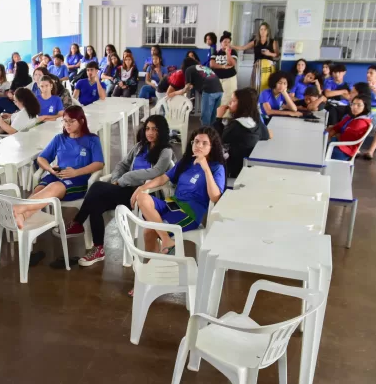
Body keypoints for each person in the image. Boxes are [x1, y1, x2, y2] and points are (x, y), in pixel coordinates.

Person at [63, 115, 174, 267]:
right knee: (96, 205)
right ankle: (98, 249)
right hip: (124, 190)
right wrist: (116, 178)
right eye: (148, 128)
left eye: (154, 129)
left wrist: (123, 179)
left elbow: (155, 172)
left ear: (162, 131)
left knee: (96, 187)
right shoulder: (140, 146)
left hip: (142, 195)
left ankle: (77, 222)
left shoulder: (166, 151)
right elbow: (122, 164)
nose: (150, 132)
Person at [132, 127, 225, 256]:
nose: (199, 145)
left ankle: (157, 259)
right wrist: (141, 188)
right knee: (142, 197)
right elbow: (164, 178)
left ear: (212, 147)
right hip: (172, 203)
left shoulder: (217, 168)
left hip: (190, 212)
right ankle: (165, 242)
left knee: (149, 231)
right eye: (196, 141)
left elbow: (215, 197)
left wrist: (205, 168)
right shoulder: (186, 162)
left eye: (204, 143)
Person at [13, 106, 105, 229]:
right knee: (38, 190)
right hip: (57, 174)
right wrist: (51, 170)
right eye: (65, 121)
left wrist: (76, 172)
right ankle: (23, 216)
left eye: (72, 121)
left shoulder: (92, 140)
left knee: (54, 187)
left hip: (78, 179)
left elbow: (99, 163)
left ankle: (20, 207)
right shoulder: (59, 138)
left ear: (81, 121)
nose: (67, 124)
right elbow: (42, 158)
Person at [213, 88, 271, 178]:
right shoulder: (256, 120)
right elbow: (266, 135)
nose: (229, 103)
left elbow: (217, 139)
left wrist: (218, 118)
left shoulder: (236, 125)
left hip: (234, 168)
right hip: (248, 164)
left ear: (242, 105)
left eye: (233, 101)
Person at [234, 22, 280, 91]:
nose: (263, 31)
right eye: (261, 29)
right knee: (256, 86)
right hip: (257, 67)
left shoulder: (273, 42)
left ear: (268, 31)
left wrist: (269, 53)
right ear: (259, 31)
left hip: (268, 68)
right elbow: (243, 47)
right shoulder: (255, 42)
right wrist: (231, 46)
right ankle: (257, 100)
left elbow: (277, 54)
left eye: (265, 29)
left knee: (267, 85)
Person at [179, 57, 224, 126]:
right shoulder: (203, 67)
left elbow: (187, 87)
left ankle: (205, 134)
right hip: (220, 90)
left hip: (209, 90)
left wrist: (180, 93)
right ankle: (212, 135)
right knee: (213, 118)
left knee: (205, 118)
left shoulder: (188, 69)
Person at [327, 95, 372, 161]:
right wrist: (333, 133)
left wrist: (333, 134)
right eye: (353, 104)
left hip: (343, 151)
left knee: (316, 147)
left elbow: (345, 139)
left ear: (365, 107)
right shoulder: (350, 117)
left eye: (359, 105)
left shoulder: (361, 122)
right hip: (337, 144)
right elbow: (337, 127)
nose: (354, 107)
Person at [210, 31, 238, 107]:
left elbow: (232, 63)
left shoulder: (233, 52)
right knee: (217, 98)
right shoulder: (216, 52)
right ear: (221, 43)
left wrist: (227, 53)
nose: (226, 43)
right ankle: (217, 116)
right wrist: (223, 66)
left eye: (228, 42)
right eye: (225, 41)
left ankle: (226, 117)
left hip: (229, 78)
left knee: (229, 98)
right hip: (217, 78)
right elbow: (212, 64)